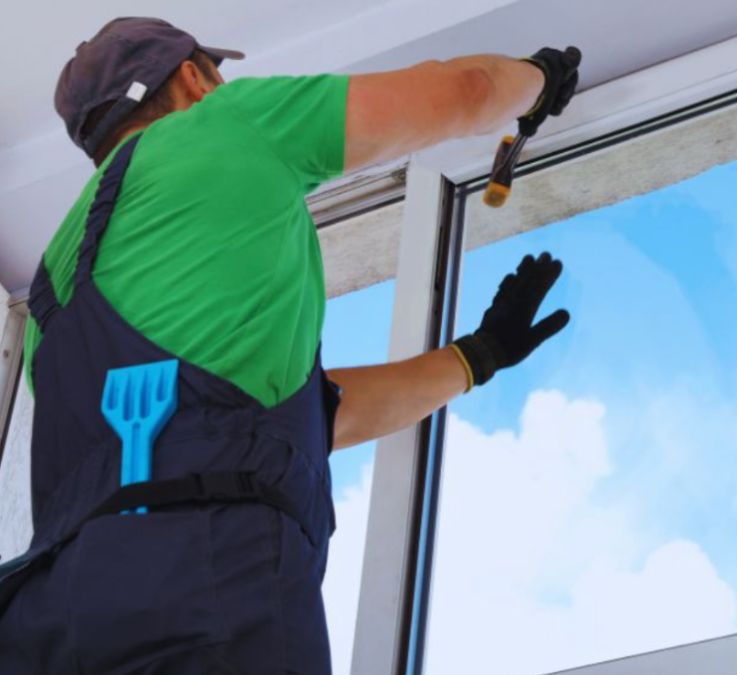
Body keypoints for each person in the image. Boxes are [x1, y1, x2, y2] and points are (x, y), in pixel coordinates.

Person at [0, 16, 578, 674]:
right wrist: (540, 83)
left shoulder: (51, 292)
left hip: (42, 623)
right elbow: (470, 89)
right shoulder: (225, 122)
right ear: (195, 77)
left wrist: (474, 357)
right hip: (203, 590)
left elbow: (288, 419)